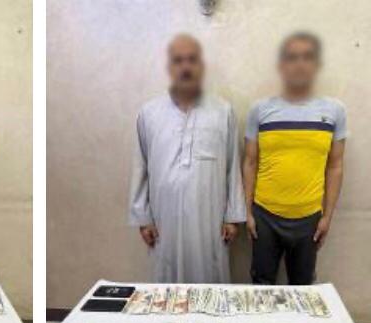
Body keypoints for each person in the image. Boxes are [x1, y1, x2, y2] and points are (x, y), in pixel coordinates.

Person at [128, 34, 245, 283]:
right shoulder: (149, 113)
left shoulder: (222, 111)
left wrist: (233, 217)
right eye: (178, 60)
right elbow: (141, 167)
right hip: (164, 222)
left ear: (201, 66)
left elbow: (233, 166)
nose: (185, 67)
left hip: (210, 222)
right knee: (167, 287)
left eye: (192, 60)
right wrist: (143, 218)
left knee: (210, 283)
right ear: (170, 67)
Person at [243, 32, 347, 285]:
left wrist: (327, 217)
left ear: (316, 65)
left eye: (307, 57)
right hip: (265, 215)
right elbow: (250, 162)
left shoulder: (335, 111)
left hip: (309, 218)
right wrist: (247, 212)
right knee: (261, 287)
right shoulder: (260, 110)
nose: (300, 64)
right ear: (282, 65)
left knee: (303, 288)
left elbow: (335, 166)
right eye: (292, 57)